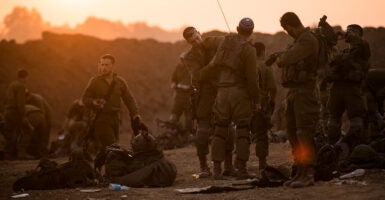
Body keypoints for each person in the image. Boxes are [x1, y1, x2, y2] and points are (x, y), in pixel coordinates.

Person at [272, 12, 320, 188]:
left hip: (305, 93)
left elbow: (287, 59)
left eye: (286, 28)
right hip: (293, 92)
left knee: (303, 133)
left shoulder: (307, 40)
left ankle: (308, 173)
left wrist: (280, 57)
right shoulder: (298, 41)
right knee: (292, 133)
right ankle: (299, 171)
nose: (286, 32)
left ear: (292, 25)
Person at [210, 17, 260, 179]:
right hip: (239, 93)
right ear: (251, 32)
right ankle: (241, 169)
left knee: (219, 130)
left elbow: (215, 65)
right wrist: (256, 100)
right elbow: (252, 79)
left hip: (222, 92)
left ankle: (217, 169)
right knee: (243, 130)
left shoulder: (224, 42)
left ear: (237, 29)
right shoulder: (249, 49)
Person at [82, 54, 146, 156]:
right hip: (101, 119)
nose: (103, 67)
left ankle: (106, 168)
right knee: (113, 147)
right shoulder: (95, 82)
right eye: (102, 64)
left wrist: (135, 114)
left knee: (109, 148)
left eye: (107, 65)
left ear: (113, 66)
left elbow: (129, 100)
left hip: (116, 118)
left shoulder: (119, 82)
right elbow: (85, 99)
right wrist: (94, 102)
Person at [182, 27, 224, 177]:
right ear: (189, 42)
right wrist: (212, 64)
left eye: (197, 37)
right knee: (203, 129)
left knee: (226, 126)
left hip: (222, 88)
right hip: (205, 92)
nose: (197, 41)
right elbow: (198, 76)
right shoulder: (190, 57)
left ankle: (228, 166)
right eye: (193, 41)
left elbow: (228, 42)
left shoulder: (213, 41)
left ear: (199, 33)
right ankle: (203, 165)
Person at [326, 24, 371, 157]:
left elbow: (360, 42)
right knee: (333, 121)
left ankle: (356, 151)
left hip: (353, 88)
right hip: (337, 88)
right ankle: (333, 150)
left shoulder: (363, 48)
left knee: (357, 121)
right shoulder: (343, 54)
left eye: (353, 31)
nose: (350, 33)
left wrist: (345, 34)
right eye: (348, 30)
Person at [250, 42, 277, 172]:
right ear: (263, 52)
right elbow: (273, 89)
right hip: (261, 103)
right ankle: (262, 163)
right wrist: (272, 103)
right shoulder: (266, 67)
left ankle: (239, 164)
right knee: (261, 134)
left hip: (245, 103)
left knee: (242, 133)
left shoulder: (246, 66)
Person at [3, 69, 29, 159]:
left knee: (9, 133)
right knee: (27, 129)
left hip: (7, 111)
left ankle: (7, 154)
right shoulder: (21, 86)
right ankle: (22, 153)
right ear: (25, 77)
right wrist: (24, 116)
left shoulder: (12, 84)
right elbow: (20, 103)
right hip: (15, 112)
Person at [25, 90, 51, 157]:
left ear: (28, 95)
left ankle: (43, 150)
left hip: (46, 116)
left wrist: (43, 123)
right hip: (37, 115)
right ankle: (35, 150)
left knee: (44, 133)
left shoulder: (37, 99)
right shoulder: (27, 100)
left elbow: (43, 112)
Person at [169, 62, 192, 134]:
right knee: (174, 115)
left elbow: (194, 82)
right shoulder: (178, 67)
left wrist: (186, 86)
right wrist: (173, 84)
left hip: (188, 97)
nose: (183, 61)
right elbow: (173, 79)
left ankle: (189, 134)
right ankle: (171, 132)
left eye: (184, 60)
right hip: (179, 96)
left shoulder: (192, 68)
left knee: (189, 118)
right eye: (181, 60)